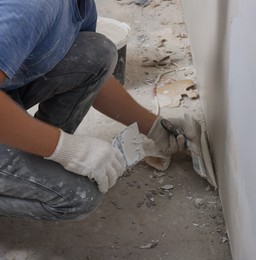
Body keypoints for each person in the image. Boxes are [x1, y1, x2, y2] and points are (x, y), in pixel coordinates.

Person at [0, 0, 190, 221]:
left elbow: (93, 75)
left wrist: (154, 126)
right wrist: (66, 148)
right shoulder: (32, 7)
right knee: (77, 195)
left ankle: (29, 157)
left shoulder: (78, 6)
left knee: (98, 52)